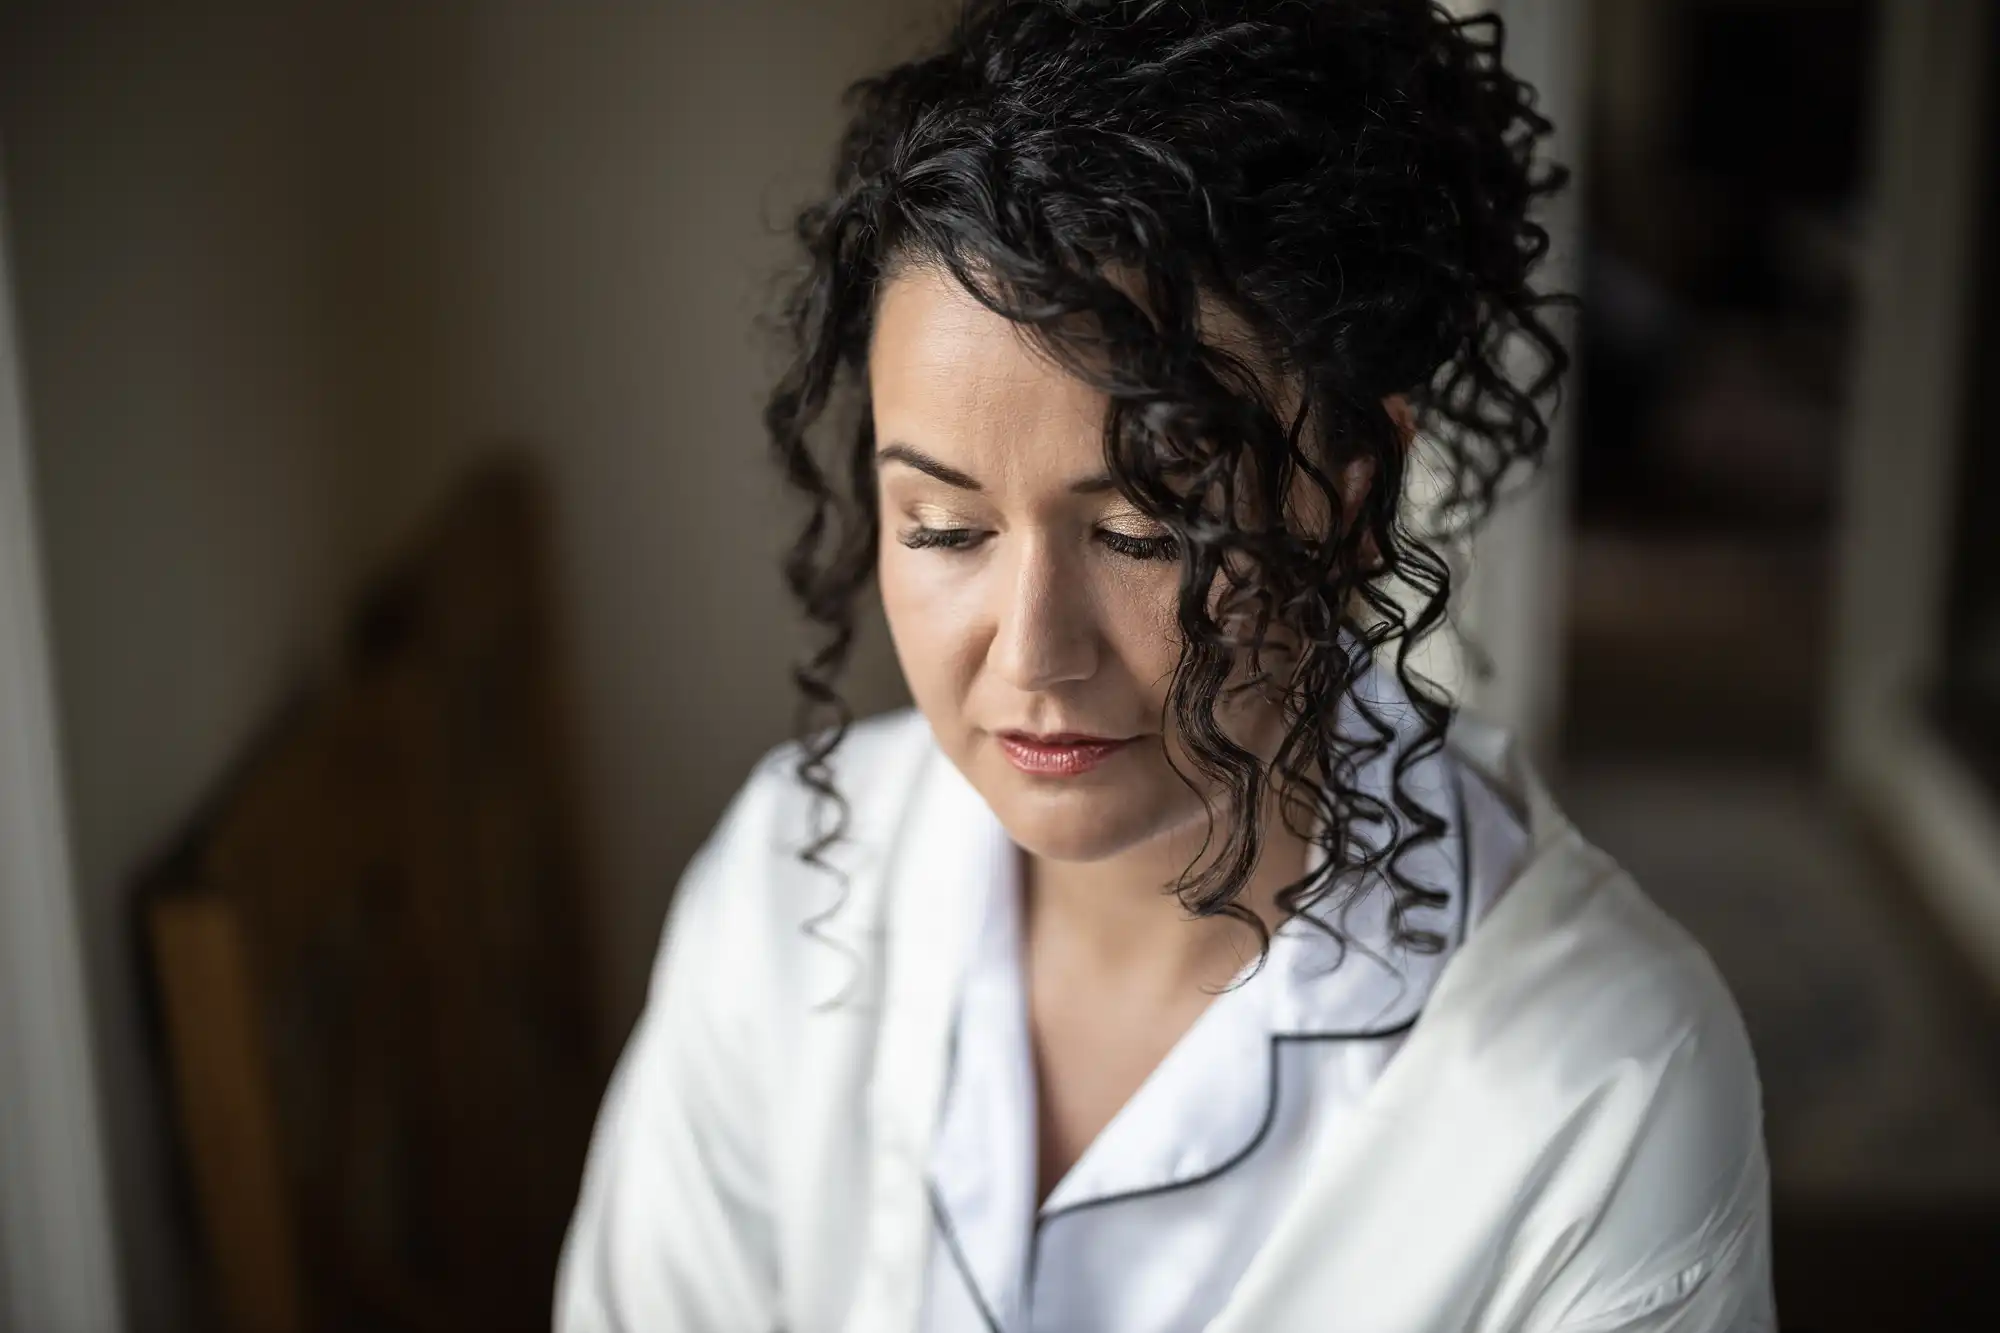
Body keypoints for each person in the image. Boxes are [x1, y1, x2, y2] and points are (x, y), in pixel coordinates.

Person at [554, 2, 1775, 1329]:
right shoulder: (784, 892)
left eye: (1144, 529)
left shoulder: (1606, 1093)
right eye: (945, 526)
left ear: (1354, 502)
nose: (1034, 651)